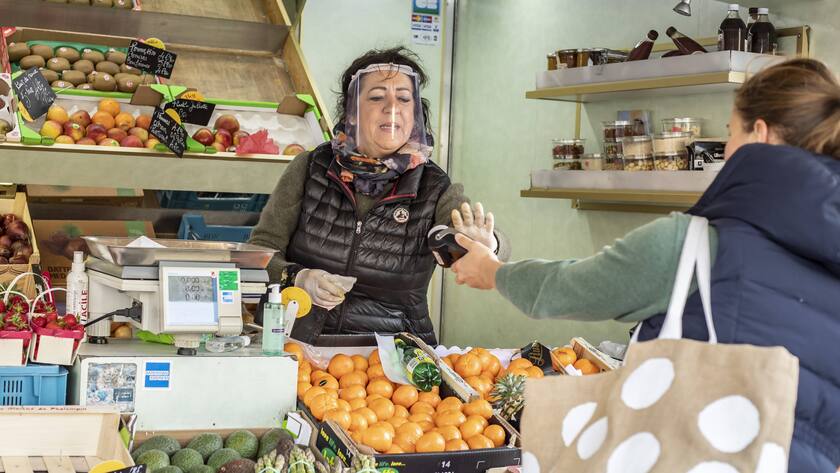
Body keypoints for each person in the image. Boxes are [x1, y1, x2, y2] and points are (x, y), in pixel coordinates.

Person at [449, 58, 840, 472]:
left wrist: (492, 271)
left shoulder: (694, 246)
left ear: (759, 133)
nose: (725, 150)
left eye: (730, 133)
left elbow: (570, 288)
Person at [250, 47, 509, 346]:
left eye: (403, 98)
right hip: (295, 341)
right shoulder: (311, 167)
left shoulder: (433, 186)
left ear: (415, 113)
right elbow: (260, 251)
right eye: (376, 97)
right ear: (352, 111)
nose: (392, 107)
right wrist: (296, 276)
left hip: (390, 357)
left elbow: (472, 238)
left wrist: (489, 245)